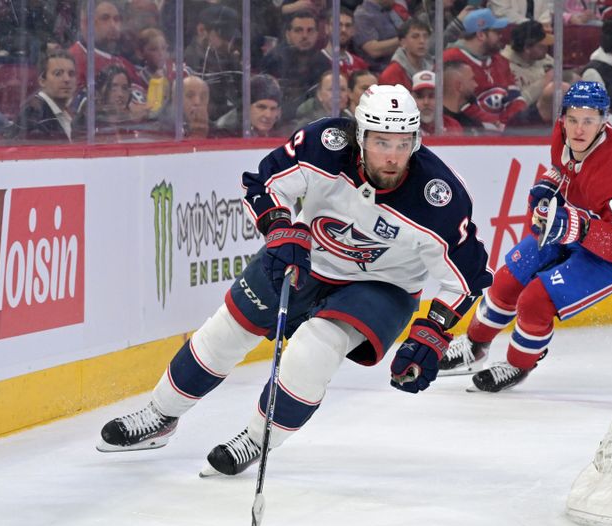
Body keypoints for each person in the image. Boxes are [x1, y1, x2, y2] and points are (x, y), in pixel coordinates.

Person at [96, 84, 493, 477]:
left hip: (383, 286)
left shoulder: (439, 197)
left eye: (403, 144)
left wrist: (433, 332)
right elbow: (265, 183)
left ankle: (256, 439)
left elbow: (467, 277)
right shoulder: (326, 143)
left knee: (314, 347)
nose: (392, 157)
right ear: (360, 136)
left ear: (416, 141)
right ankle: (160, 415)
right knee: (228, 330)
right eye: (381, 142)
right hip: (308, 258)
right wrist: (281, 230)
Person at [438, 81, 612, 392]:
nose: (578, 129)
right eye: (572, 119)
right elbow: (563, 168)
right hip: (582, 220)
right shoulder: (563, 135)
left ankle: (518, 364)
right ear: (562, 117)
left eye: (588, 120)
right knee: (507, 279)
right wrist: (550, 184)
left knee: (535, 300)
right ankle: (474, 346)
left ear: (604, 121)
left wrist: (579, 228)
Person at [442, 8, 527, 131]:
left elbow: (515, 98)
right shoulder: (450, 59)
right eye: (496, 32)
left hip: (504, 131)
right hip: (468, 131)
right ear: (481, 35)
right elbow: (454, 103)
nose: (501, 36)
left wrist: (509, 125)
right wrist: (492, 123)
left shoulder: (500, 60)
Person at [261, 10, 331, 125]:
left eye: (310, 30)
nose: (305, 36)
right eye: (298, 30)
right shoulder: (274, 60)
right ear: (288, 34)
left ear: (317, 34)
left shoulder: (323, 62)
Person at [16, 50, 78, 142]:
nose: (67, 79)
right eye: (58, 74)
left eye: (71, 74)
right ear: (42, 81)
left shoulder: (69, 114)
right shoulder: (33, 116)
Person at [378, 18, 434, 91]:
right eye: (415, 37)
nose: (422, 41)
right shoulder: (391, 74)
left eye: (425, 36)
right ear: (403, 42)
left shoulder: (435, 69)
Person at [410, 70, 463, 135]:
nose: (426, 102)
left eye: (432, 96)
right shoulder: (404, 128)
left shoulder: (452, 126)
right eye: (420, 97)